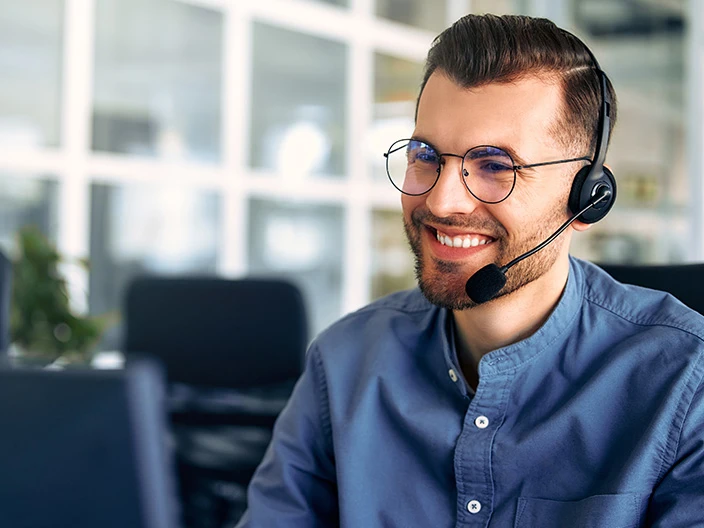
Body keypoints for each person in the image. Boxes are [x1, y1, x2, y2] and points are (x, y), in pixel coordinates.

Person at [237, 14, 704, 527]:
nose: (441, 199)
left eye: (496, 165)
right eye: (425, 155)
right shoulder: (345, 363)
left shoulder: (684, 383)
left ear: (588, 198)